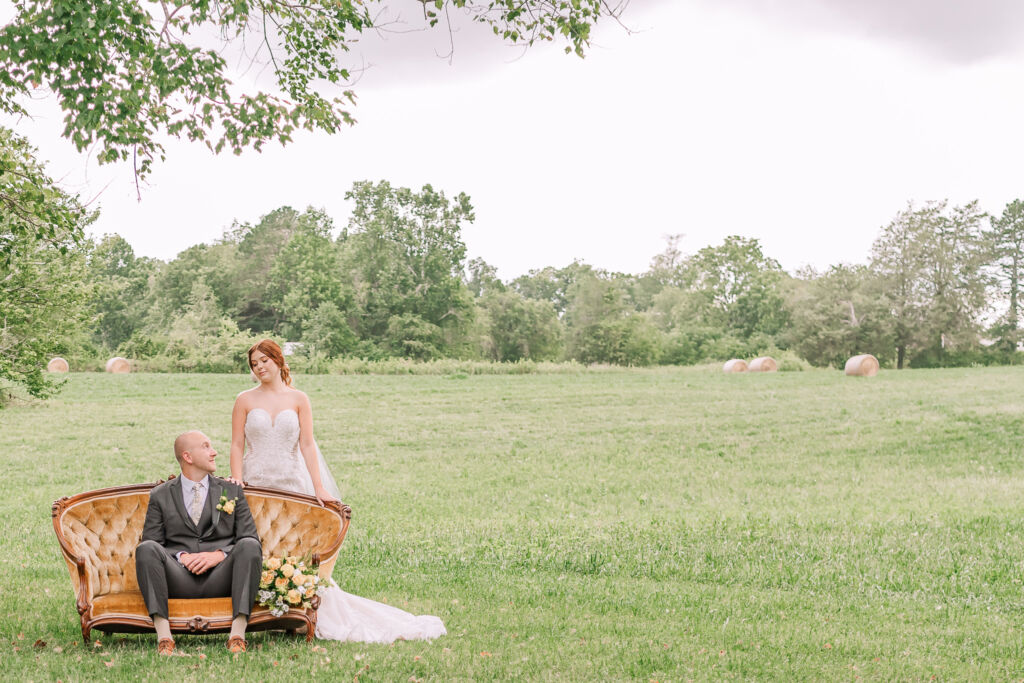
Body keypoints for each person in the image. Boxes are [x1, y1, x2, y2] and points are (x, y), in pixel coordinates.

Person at [228, 339, 446, 643]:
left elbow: (306, 445)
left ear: (278, 361)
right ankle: (258, 611)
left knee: (292, 546)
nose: (259, 367)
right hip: (255, 481)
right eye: (254, 363)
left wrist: (318, 488)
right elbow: (237, 443)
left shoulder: (299, 399)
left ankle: (295, 609)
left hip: (290, 481)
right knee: (259, 543)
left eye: (264, 360)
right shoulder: (245, 400)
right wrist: (237, 480)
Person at [136, 431, 262, 655]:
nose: (214, 452)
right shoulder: (160, 495)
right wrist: (181, 556)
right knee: (145, 549)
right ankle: (165, 638)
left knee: (250, 546)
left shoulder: (231, 490)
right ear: (188, 456)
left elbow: (250, 537)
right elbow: (153, 541)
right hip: (179, 578)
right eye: (206, 447)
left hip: (221, 577)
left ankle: (237, 635)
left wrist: (219, 555)